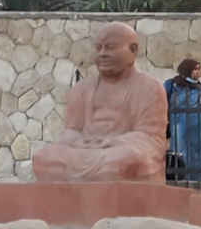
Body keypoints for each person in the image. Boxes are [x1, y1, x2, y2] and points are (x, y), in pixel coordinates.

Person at [31, 22, 167, 184]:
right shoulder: (81, 89)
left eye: (111, 48)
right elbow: (71, 131)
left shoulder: (149, 87)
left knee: (122, 160)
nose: (102, 54)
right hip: (84, 150)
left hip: (118, 152)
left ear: (133, 49)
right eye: (98, 48)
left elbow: (151, 137)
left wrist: (112, 141)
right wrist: (79, 141)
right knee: (43, 158)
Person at [163, 57, 201, 184]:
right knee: (181, 157)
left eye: (199, 69)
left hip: (200, 129)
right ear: (187, 70)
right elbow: (160, 98)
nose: (198, 72)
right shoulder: (172, 85)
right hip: (180, 129)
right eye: (195, 69)